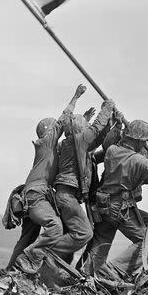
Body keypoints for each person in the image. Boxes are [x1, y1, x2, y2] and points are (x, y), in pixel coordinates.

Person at [82, 120, 148, 278]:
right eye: (144, 142)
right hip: (120, 207)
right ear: (140, 141)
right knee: (147, 243)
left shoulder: (112, 151)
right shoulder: (139, 161)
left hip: (103, 205)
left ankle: (88, 273)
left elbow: (134, 174)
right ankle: (114, 271)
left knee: (102, 242)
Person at [7, 84, 87, 272]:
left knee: (27, 237)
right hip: (37, 195)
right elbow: (63, 119)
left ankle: (10, 271)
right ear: (49, 130)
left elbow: (72, 136)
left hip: (32, 195)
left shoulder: (50, 149)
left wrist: (84, 122)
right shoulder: (46, 142)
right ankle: (30, 259)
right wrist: (76, 97)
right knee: (55, 226)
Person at [48, 98, 116, 262]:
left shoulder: (72, 144)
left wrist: (112, 124)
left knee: (73, 235)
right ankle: (43, 252)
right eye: (85, 127)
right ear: (80, 130)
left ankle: (52, 262)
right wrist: (107, 108)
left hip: (66, 195)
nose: (88, 129)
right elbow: (96, 129)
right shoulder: (78, 141)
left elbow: (98, 137)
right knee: (84, 233)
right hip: (67, 195)